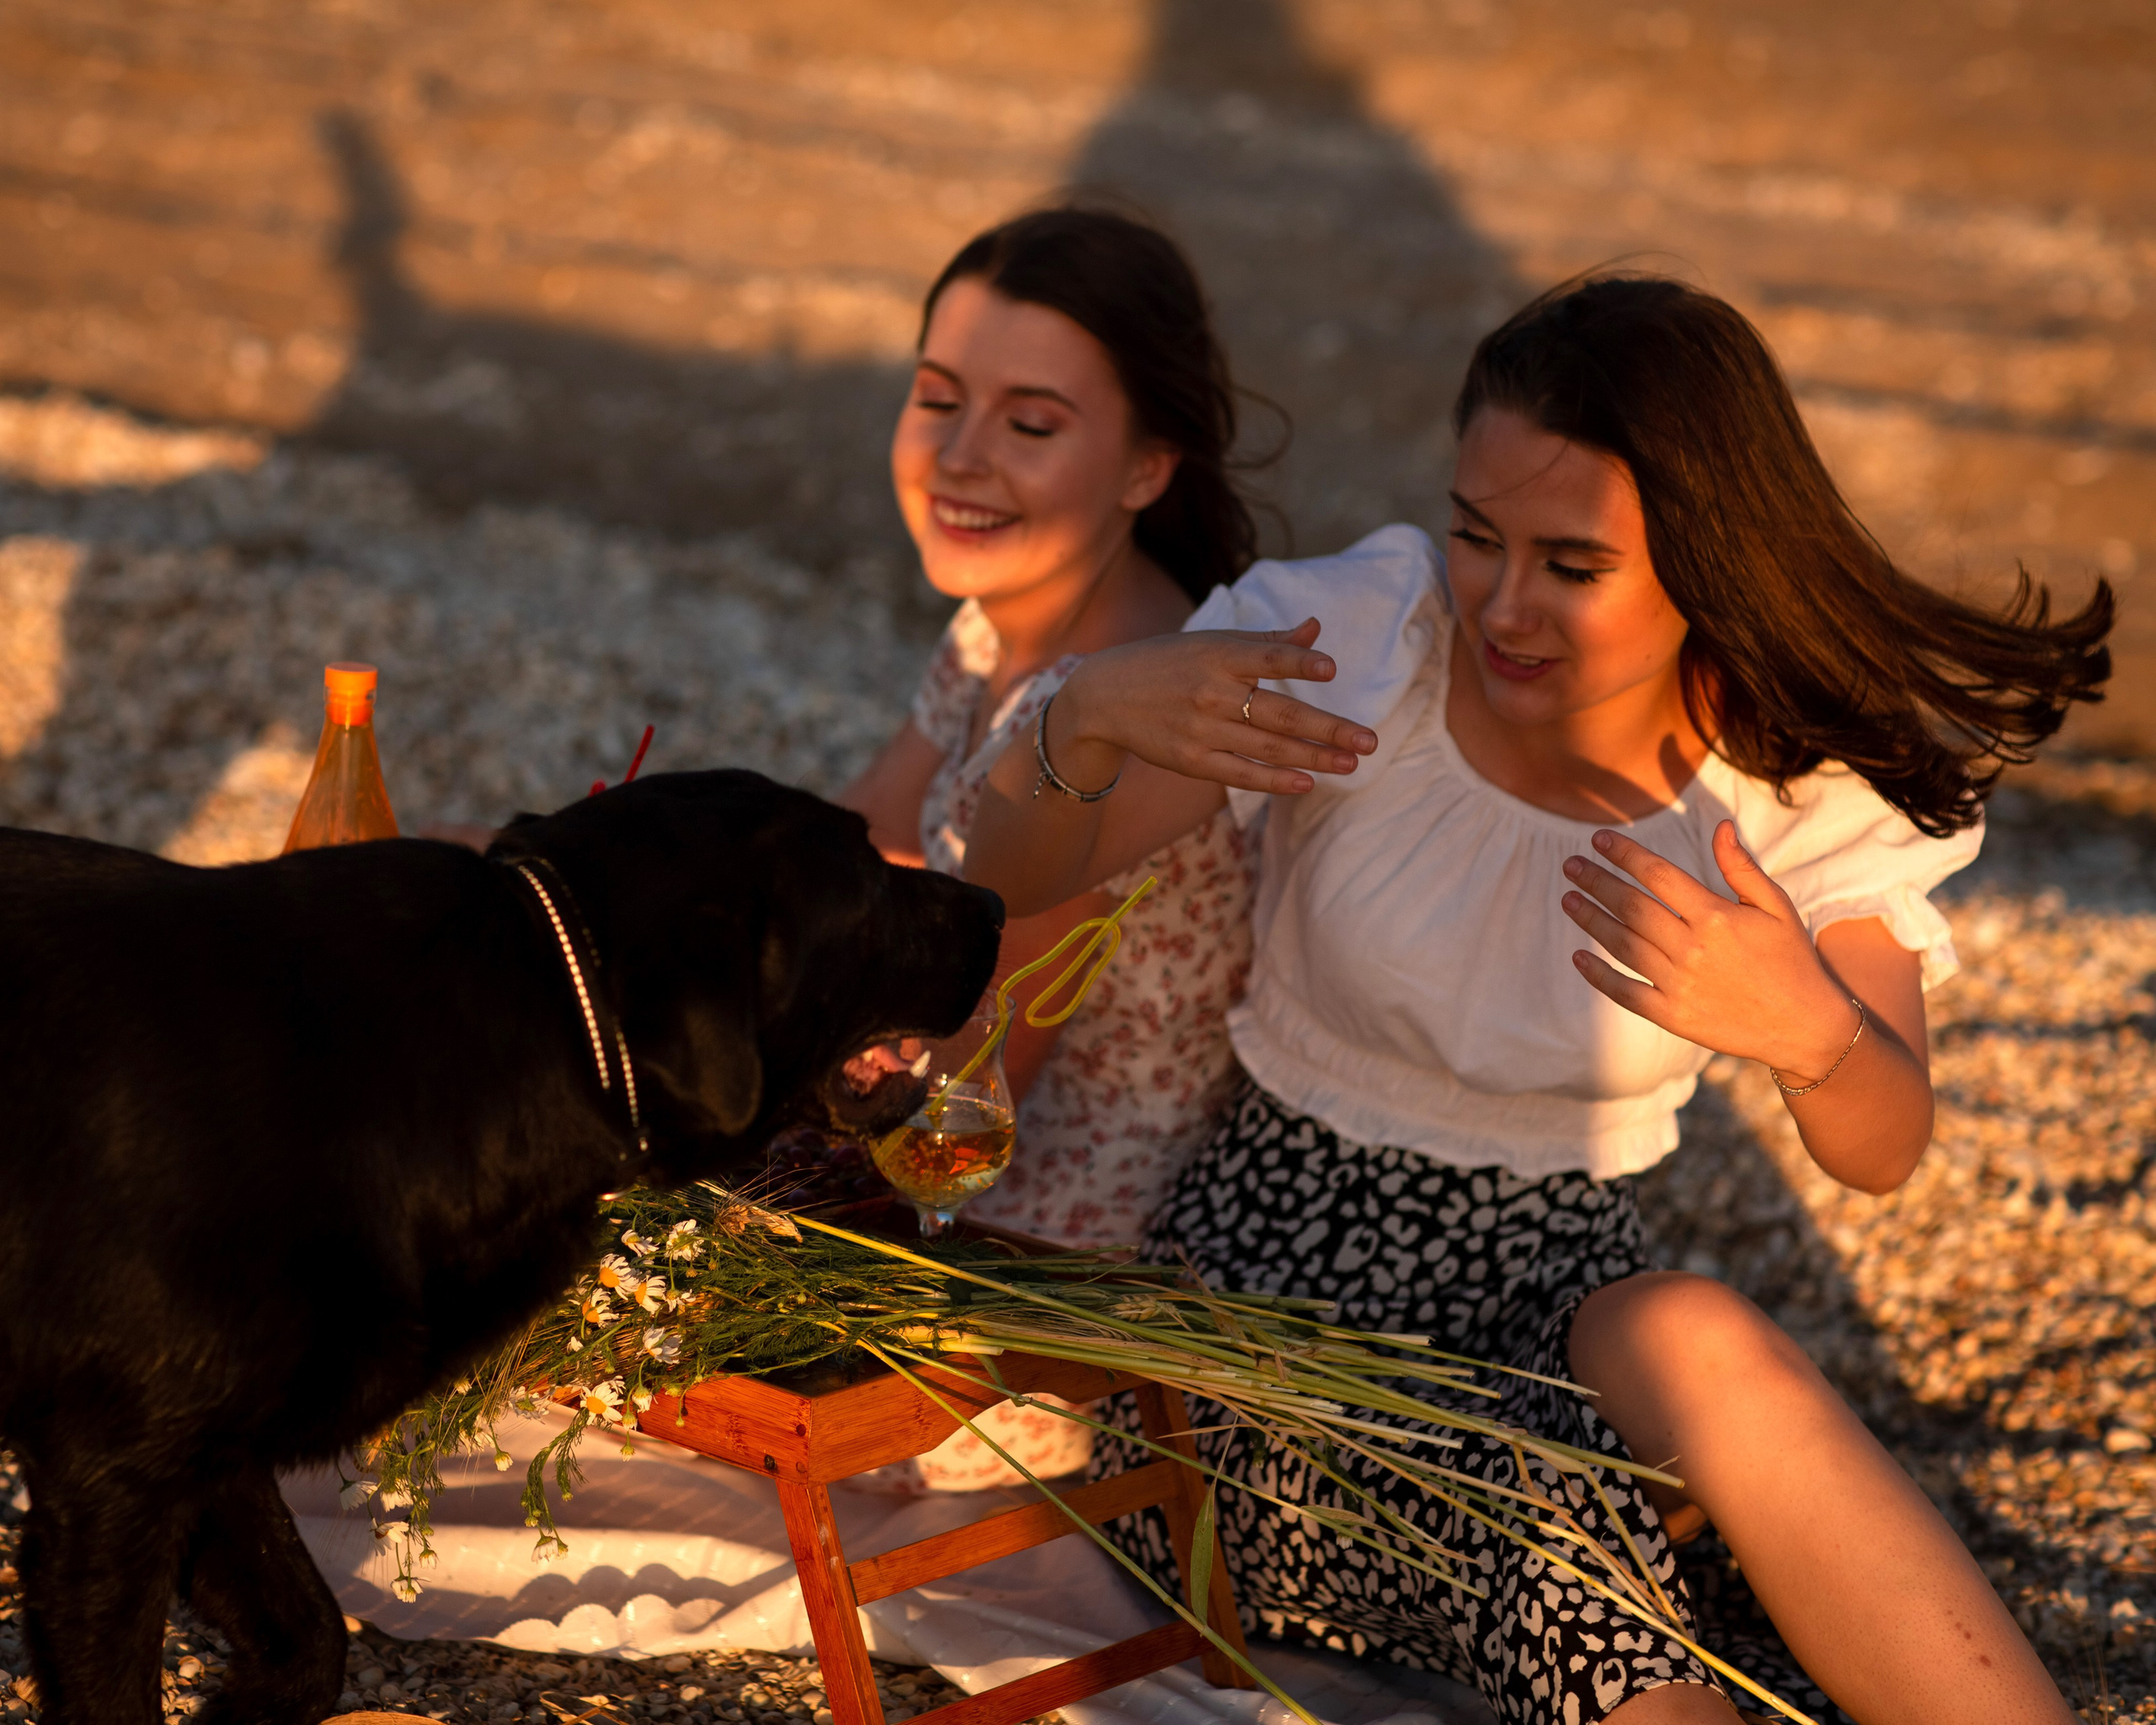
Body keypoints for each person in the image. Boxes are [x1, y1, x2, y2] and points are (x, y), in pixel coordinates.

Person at [960, 276, 2111, 1722]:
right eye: (1476, 535)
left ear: (1708, 561)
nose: (1503, 605)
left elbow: (1881, 1147)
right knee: (1556, 1513)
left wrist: (1811, 1029)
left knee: (1695, 1331)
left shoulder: (1788, 793)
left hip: (1566, 1287)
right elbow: (1004, 878)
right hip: (1265, 1322)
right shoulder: (1361, 651)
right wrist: (1083, 715)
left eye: (1573, 565)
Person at [834, 207, 1263, 1491]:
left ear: (1147, 466)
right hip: (946, 1172)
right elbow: (861, 833)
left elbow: (962, 1076)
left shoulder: (1138, 709)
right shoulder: (992, 621)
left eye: (1029, 425)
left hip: (1043, 1281)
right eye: (936, 400)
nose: (959, 459)